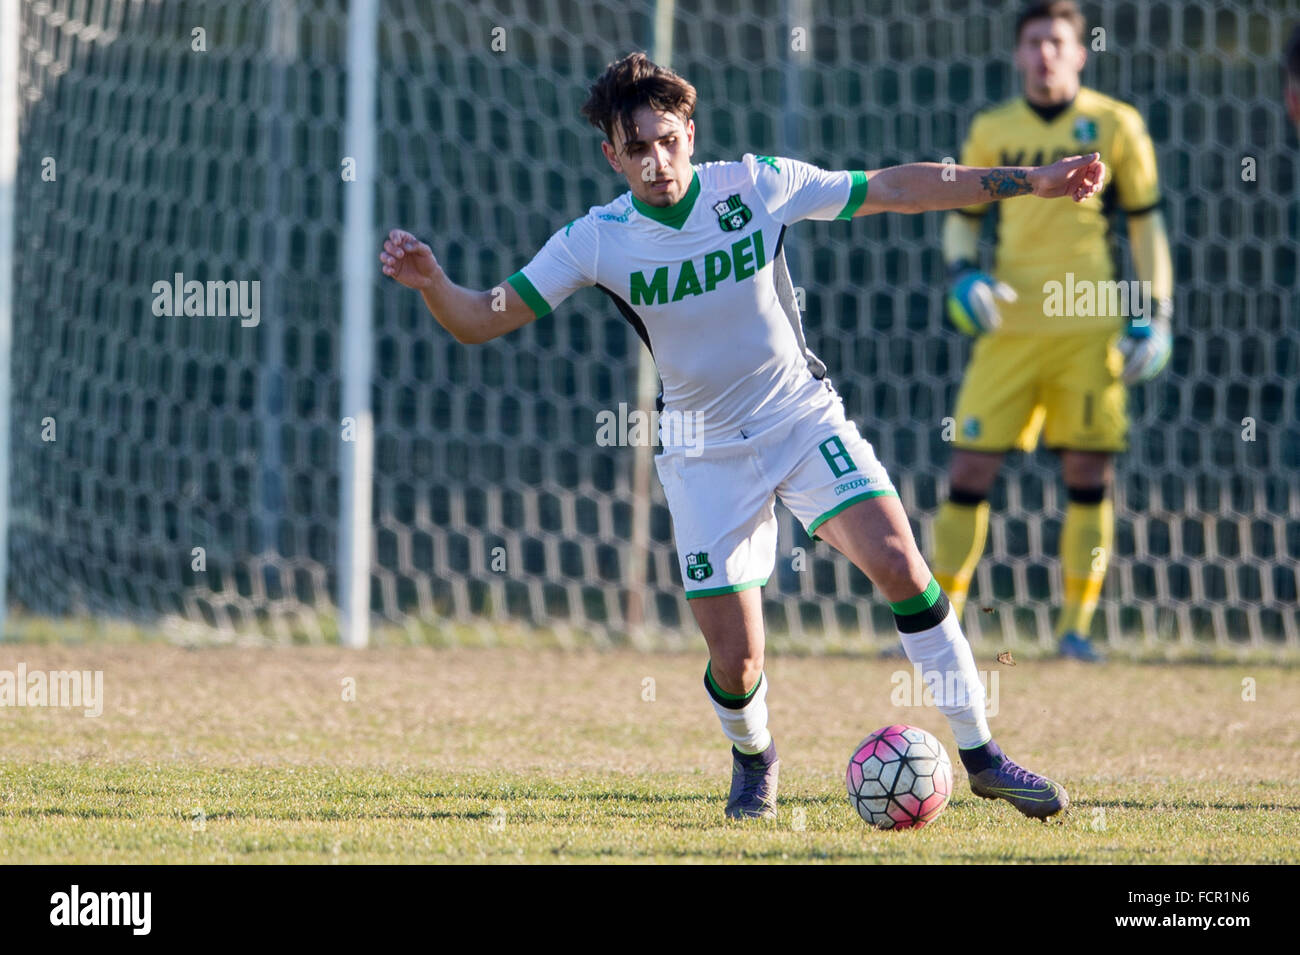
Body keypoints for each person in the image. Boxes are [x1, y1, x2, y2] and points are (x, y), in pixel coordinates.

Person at [380, 52, 1104, 820]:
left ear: (690, 133)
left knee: (900, 562)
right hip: (701, 450)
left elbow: (893, 188)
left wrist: (1031, 181)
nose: (657, 161)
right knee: (737, 657)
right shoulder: (597, 239)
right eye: (637, 149)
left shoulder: (755, 186)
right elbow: (484, 317)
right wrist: (434, 285)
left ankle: (984, 757)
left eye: (667, 140)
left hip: (799, 415)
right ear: (612, 156)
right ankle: (756, 759)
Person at [934, 1, 1173, 662]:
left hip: (1088, 332)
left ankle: (1075, 632)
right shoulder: (992, 128)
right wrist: (961, 275)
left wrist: (1156, 314)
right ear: (1018, 53)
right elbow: (963, 212)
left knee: (1087, 470)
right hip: (1008, 328)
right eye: (1034, 41)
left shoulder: (1117, 126)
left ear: (1080, 51)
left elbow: (1145, 227)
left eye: (1056, 41)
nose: (1044, 54)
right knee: (969, 466)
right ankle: (940, 628)